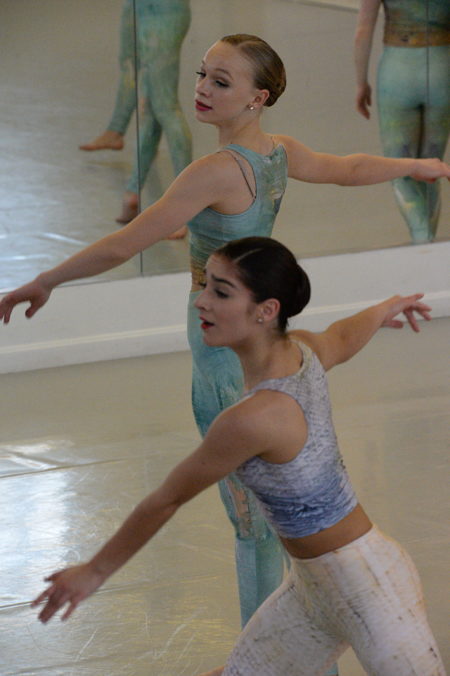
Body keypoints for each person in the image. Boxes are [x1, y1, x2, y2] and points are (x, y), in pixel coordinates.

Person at [1, 35, 450, 674]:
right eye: (202, 75)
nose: (202, 90)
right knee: (265, 514)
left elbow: (128, 243)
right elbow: (346, 170)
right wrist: (413, 167)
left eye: (221, 81)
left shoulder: (216, 172)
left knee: (251, 523)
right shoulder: (278, 155)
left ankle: (273, 645)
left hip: (225, 354)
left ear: (257, 97)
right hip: (249, 334)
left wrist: (46, 280)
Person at [30, 236, 445, 676]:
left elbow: (166, 499)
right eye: (205, 285)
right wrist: (383, 309)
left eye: (221, 292)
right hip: (315, 591)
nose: (202, 302)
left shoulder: (252, 419)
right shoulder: (300, 350)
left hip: (372, 590)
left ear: (266, 310)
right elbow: (341, 337)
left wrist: (94, 572)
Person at [79, 0, 192, 236]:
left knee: (165, 106)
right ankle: (132, 191)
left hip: (164, 10)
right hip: (139, 6)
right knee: (148, 103)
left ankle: (184, 207)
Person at [354, 0, 450, 243]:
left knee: (400, 168)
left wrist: (361, 83)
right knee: (433, 165)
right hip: (442, 69)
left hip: (398, 72)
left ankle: (421, 236)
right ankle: (427, 243)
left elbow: (363, 31)